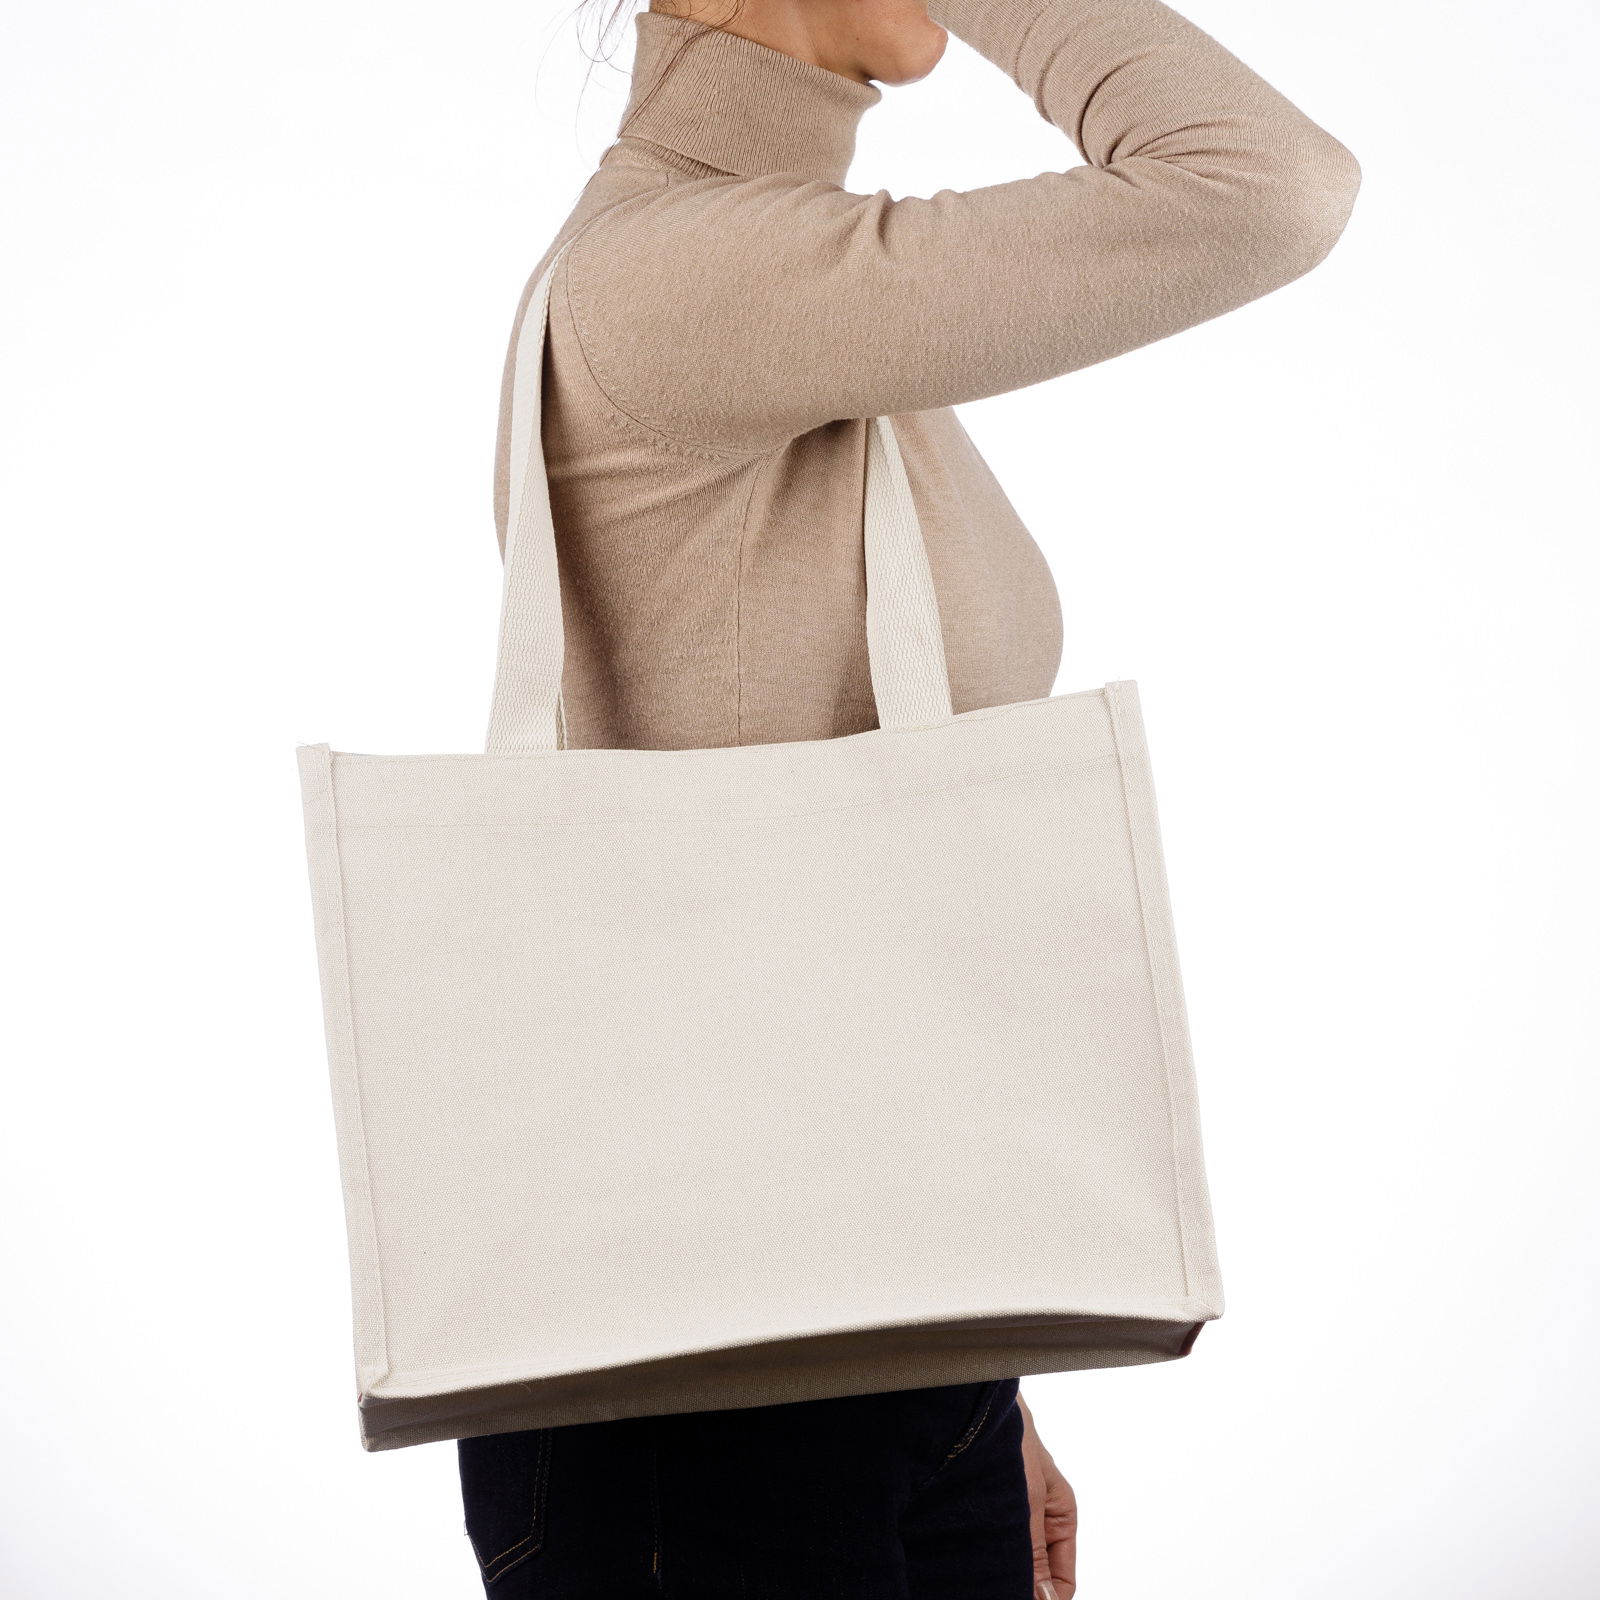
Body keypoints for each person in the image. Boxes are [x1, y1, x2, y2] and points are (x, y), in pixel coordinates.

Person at [457, 0, 1359, 1594]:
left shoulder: (778, 275)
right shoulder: (676, 274)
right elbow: (1263, 183)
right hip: (698, 1378)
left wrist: (969, 1388)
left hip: (872, 1326)